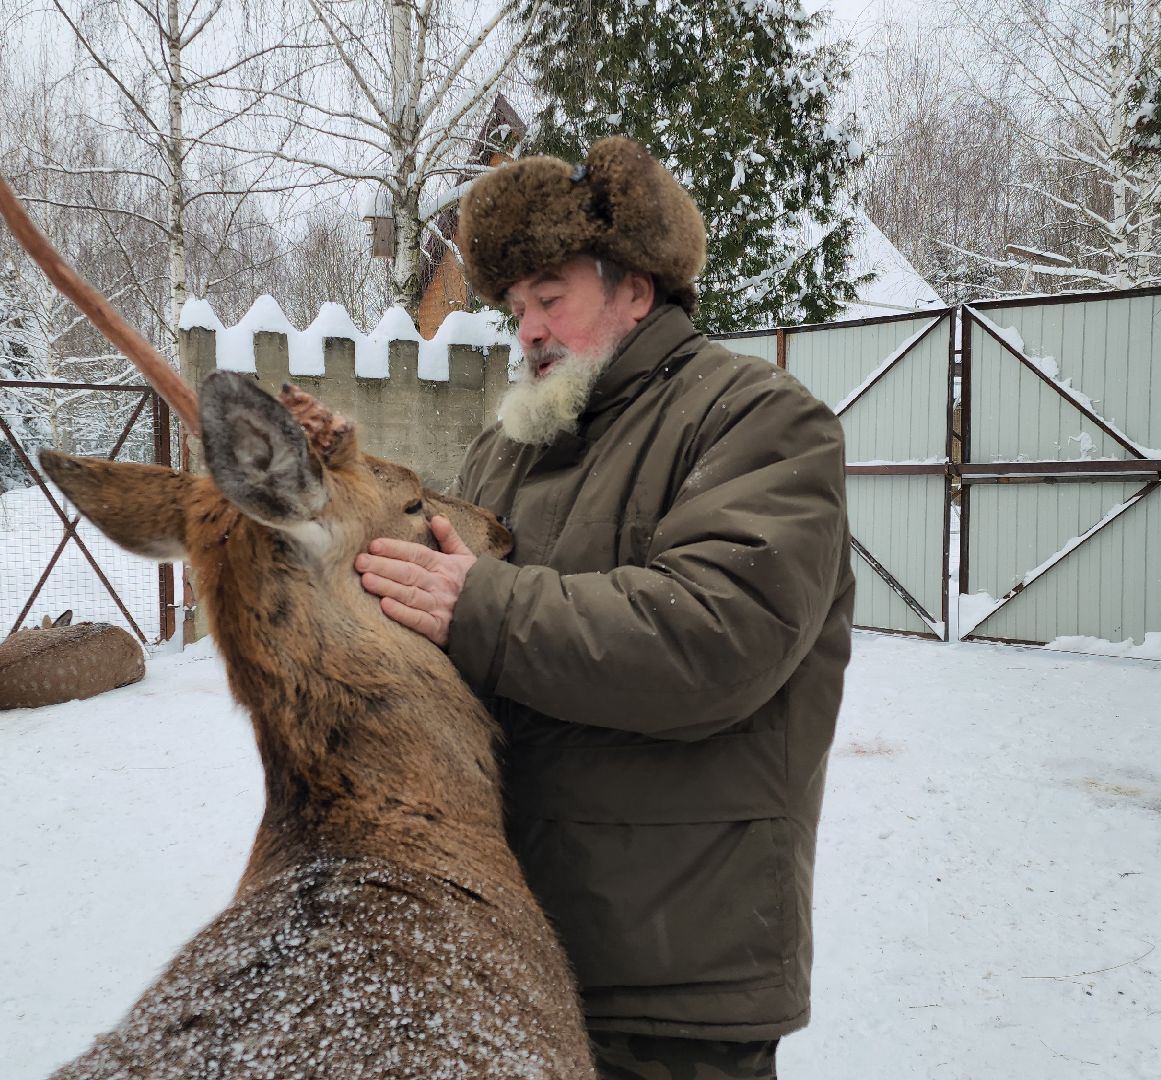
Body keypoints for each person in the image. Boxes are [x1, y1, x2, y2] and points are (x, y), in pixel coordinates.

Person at [355, 135, 855, 1080]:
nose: (529, 331)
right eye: (516, 309)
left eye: (552, 298)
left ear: (636, 289)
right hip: (507, 951)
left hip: (673, 981)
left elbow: (717, 638)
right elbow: (431, 614)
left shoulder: (757, 418)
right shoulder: (508, 447)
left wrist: (481, 608)